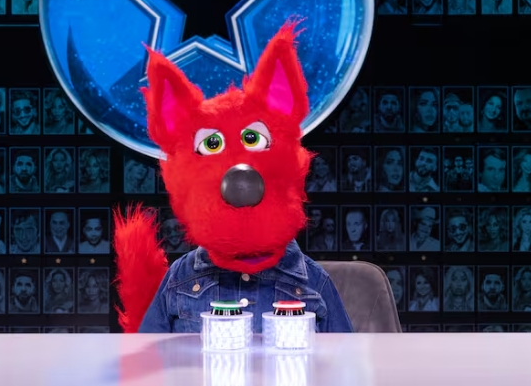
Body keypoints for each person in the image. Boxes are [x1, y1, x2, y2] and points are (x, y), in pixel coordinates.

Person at [114, 23, 354, 334]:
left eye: (253, 139)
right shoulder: (180, 280)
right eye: (210, 145)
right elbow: (150, 360)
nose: (241, 184)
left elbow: (343, 361)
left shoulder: (313, 283)